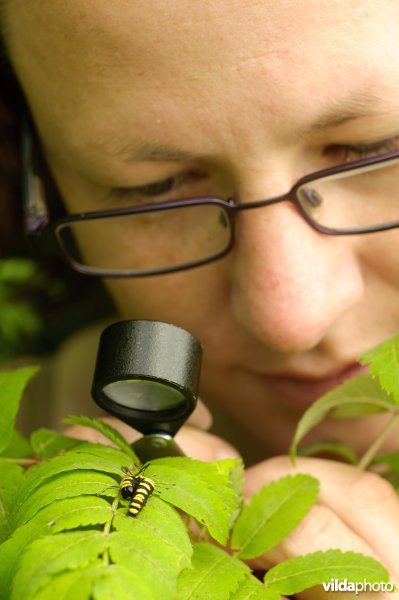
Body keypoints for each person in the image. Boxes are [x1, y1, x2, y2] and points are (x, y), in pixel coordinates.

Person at [1, 0, 399, 589]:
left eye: (375, 149)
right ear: (42, 187)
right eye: (155, 190)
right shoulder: (32, 473)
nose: (289, 317)